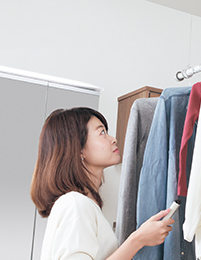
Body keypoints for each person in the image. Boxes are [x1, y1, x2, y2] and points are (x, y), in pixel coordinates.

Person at [31, 107, 173, 260]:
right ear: (78, 149)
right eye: (102, 132)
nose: (113, 139)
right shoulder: (75, 204)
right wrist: (137, 240)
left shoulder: (82, 204)